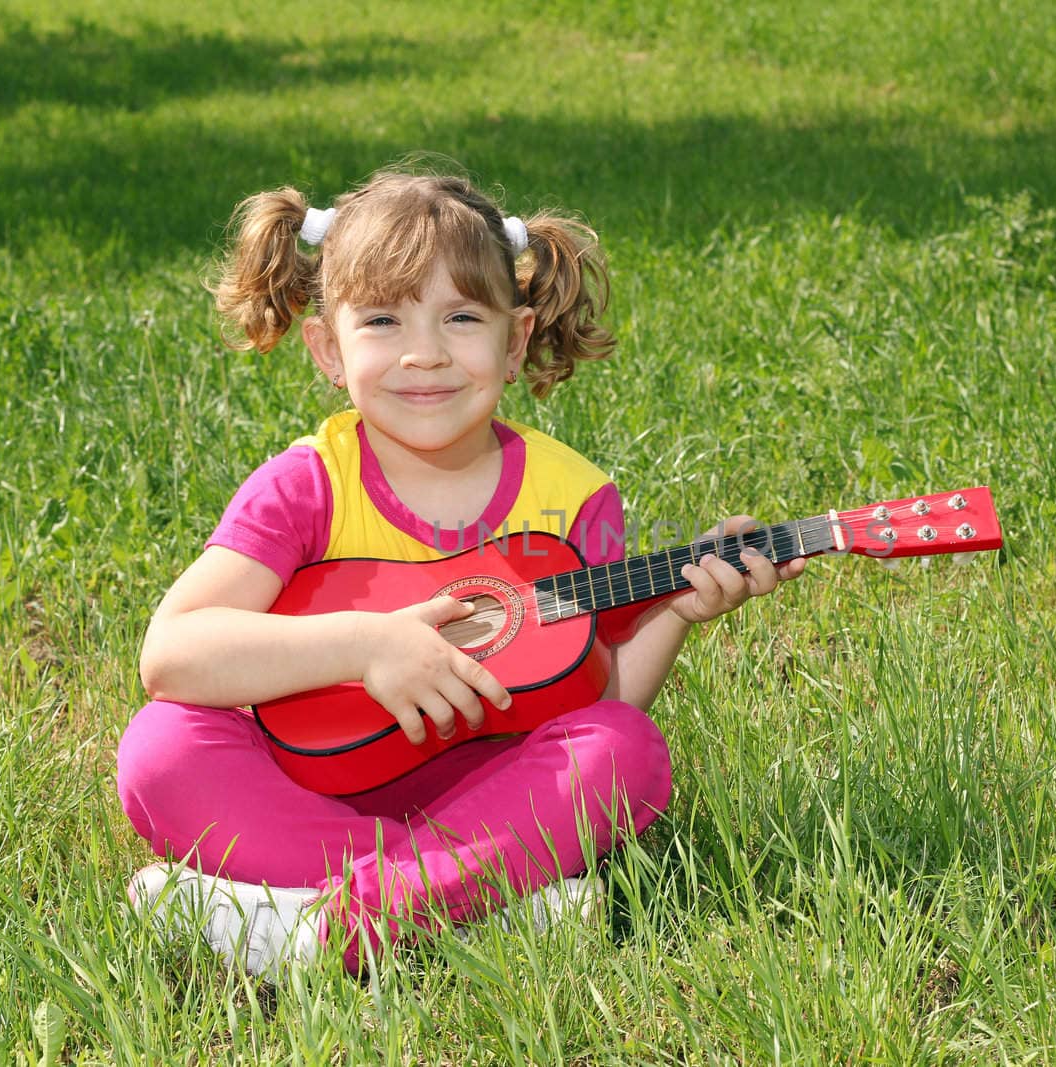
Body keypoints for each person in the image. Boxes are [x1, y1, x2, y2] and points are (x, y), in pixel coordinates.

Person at [116, 164, 805, 977]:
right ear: (328, 350)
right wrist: (365, 646)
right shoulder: (306, 485)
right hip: (314, 791)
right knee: (162, 748)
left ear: (513, 341)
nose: (424, 355)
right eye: (382, 320)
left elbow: (599, 695)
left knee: (627, 750)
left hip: (486, 798)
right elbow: (173, 653)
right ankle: (469, 909)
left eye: (461, 317)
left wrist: (679, 610)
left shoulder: (571, 497)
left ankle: (306, 923)